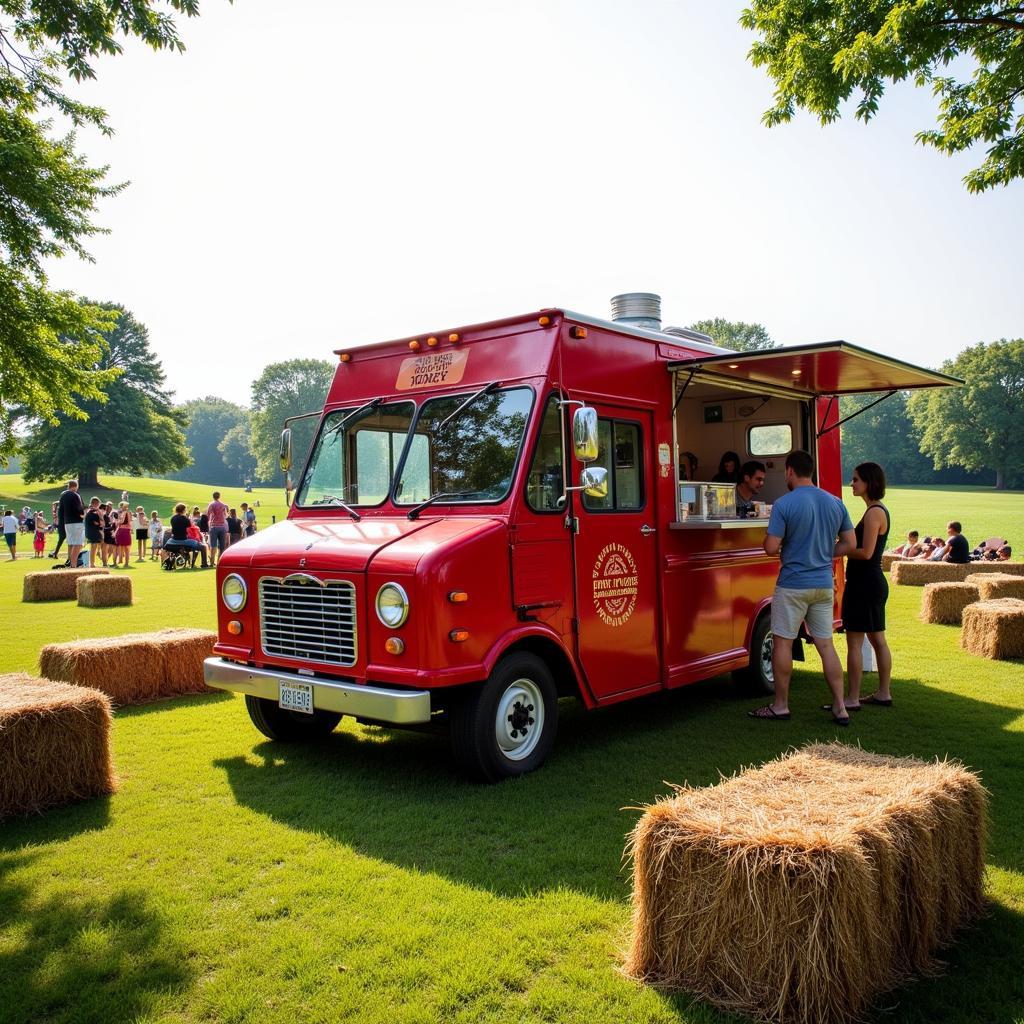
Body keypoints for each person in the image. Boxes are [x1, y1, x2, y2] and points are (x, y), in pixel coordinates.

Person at [749, 450, 856, 725]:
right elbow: (850, 544)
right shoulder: (834, 503)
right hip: (823, 583)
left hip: (793, 584)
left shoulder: (784, 504)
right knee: (826, 646)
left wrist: (784, 546)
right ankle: (840, 707)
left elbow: (771, 547)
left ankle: (781, 705)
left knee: (782, 642)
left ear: (789, 471)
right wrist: (825, 552)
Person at [837, 462, 893, 710]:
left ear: (869, 482)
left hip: (865, 583)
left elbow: (867, 552)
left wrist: (839, 548)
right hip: (870, 583)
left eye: (856, 479)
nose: (852, 483)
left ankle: (852, 698)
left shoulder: (874, 513)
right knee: (877, 638)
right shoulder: (876, 510)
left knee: (856, 642)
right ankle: (883, 693)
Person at [164, 502, 208, 568]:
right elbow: (190, 527)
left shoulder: (173, 518)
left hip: (173, 540)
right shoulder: (185, 519)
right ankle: (204, 564)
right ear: (184, 510)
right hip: (183, 540)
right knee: (203, 547)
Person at [59, 480, 86, 570]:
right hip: (76, 522)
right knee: (78, 544)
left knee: (70, 543)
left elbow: (61, 510)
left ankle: (70, 563)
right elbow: (79, 509)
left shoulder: (63, 495)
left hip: (67, 522)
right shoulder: (75, 495)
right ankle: (73, 565)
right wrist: (84, 515)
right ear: (76, 486)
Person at [206, 491, 230, 566]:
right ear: (219, 496)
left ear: (213, 496)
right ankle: (220, 562)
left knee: (213, 545)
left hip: (213, 526)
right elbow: (226, 515)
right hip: (222, 526)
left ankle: (212, 562)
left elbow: (208, 514)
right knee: (222, 545)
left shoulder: (211, 504)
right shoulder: (223, 505)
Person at [84, 497, 105, 567]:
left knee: (95, 547)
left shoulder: (90, 511)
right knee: (93, 547)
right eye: (98, 504)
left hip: (91, 531)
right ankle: (92, 563)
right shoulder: (92, 512)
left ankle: (93, 562)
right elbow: (99, 523)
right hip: (93, 532)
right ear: (95, 503)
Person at [114, 501, 133, 567]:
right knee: (126, 547)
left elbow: (121, 521)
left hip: (123, 530)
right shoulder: (128, 512)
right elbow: (130, 521)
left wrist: (117, 522)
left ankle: (122, 562)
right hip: (126, 530)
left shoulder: (124, 512)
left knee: (122, 546)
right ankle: (125, 562)